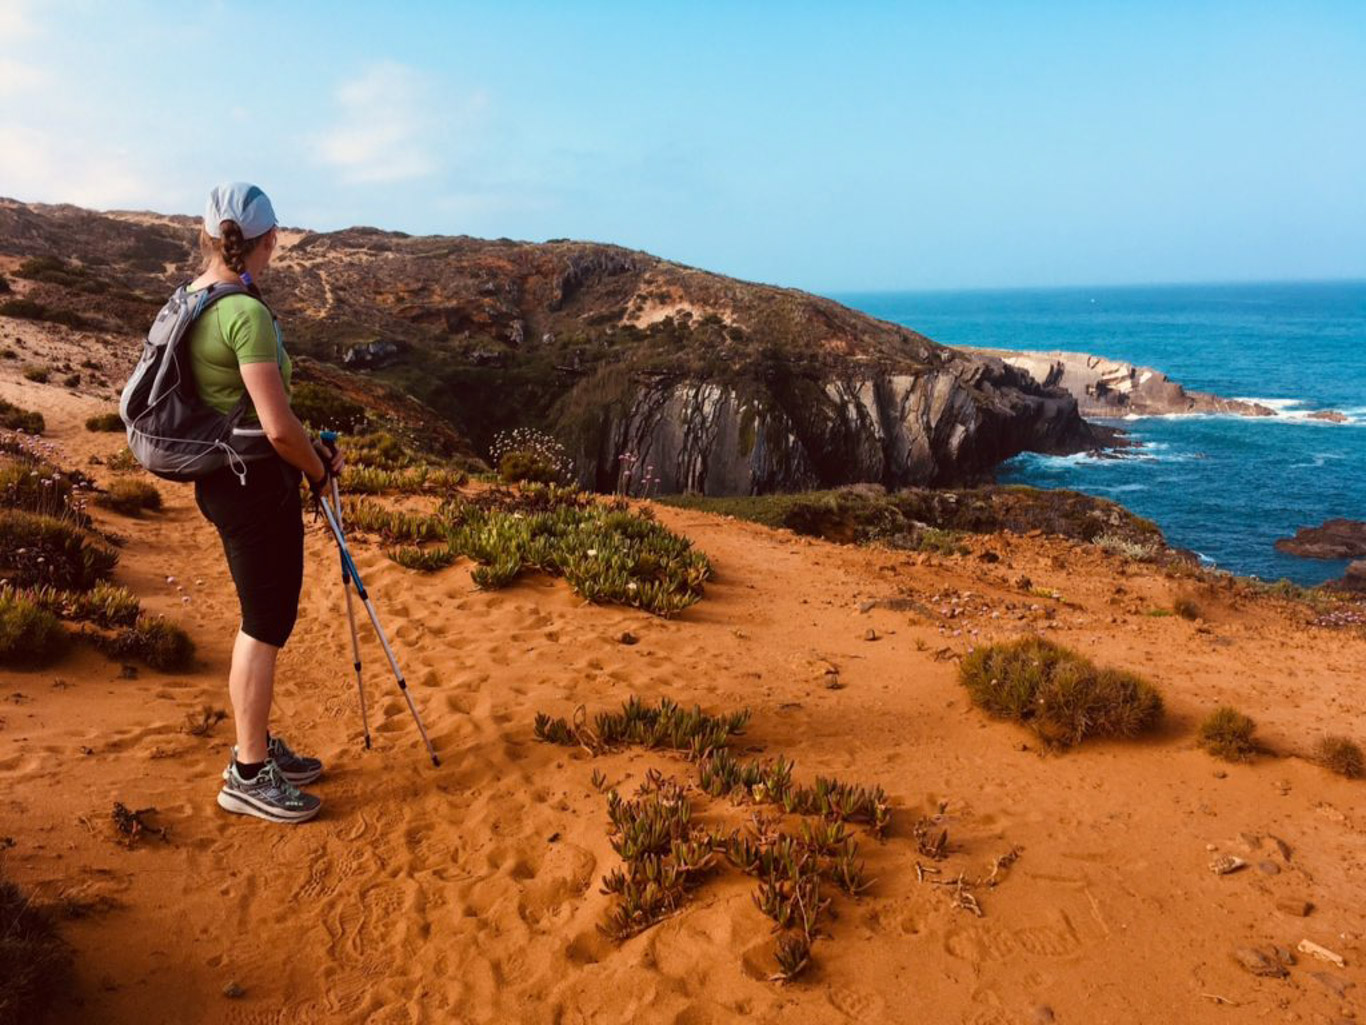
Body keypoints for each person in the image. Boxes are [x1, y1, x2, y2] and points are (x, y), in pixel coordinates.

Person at [187, 182, 343, 824]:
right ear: (268, 239)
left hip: (225, 478)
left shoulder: (195, 298)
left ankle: (256, 746)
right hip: (252, 485)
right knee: (265, 621)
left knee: (262, 617)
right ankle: (248, 772)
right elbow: (278, 428)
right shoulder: (244, 314)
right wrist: (320, 469)